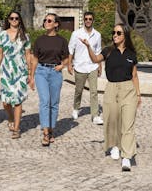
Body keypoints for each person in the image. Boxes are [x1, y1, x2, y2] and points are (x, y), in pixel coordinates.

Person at [80, 23, 141, 172]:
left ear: (125, 35)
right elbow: (95, 60)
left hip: (128, 90)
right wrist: (88, 47)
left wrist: (138, 94)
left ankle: (126, 157)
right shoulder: (108, 51)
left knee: (128, 124)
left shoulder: (131, 54)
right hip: (111, 88)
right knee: (112, 119)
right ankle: (114, 145)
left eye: (118, 33)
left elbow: (134, 75)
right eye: (113, 32)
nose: (115, 35)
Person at [30, 13, 69, 146]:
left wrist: (62, 65)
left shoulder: (62, 41)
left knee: (54, 103)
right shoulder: (39, 40)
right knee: (45, 101)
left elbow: (67, 57)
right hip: (41, 71)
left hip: (55, 73)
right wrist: (31, 76)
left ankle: (51, 129)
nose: (46, 22)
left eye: (49, 20)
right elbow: (34, 59)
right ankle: (46, 132)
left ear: (56, 24)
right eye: (45, 20)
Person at [0, 11, 32, 139]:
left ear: (20, 20)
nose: (14, 20)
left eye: (17, 18)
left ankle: (16, 128)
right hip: (5, 70)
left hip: (20, 71)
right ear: (9, 20)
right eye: (12, 18)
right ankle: (10, 117)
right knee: (6, 102)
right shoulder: (2, 35)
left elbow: (28, 55)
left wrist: (30, 72)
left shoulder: (25, 36)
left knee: (17, 100)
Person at [68, 11, 103, 125]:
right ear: (84, 20)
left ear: (93, 20)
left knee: (94, 91)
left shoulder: (97, 35)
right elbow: (71, 50)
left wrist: (99, 66)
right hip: (79, 66)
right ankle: (76, 108)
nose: (88, 21)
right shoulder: (76, 34)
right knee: (79, 90)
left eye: (90, 19)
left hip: (92, 66)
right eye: (86, 19)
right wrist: (69, 64)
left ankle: (95, 115)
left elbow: (98, 52)